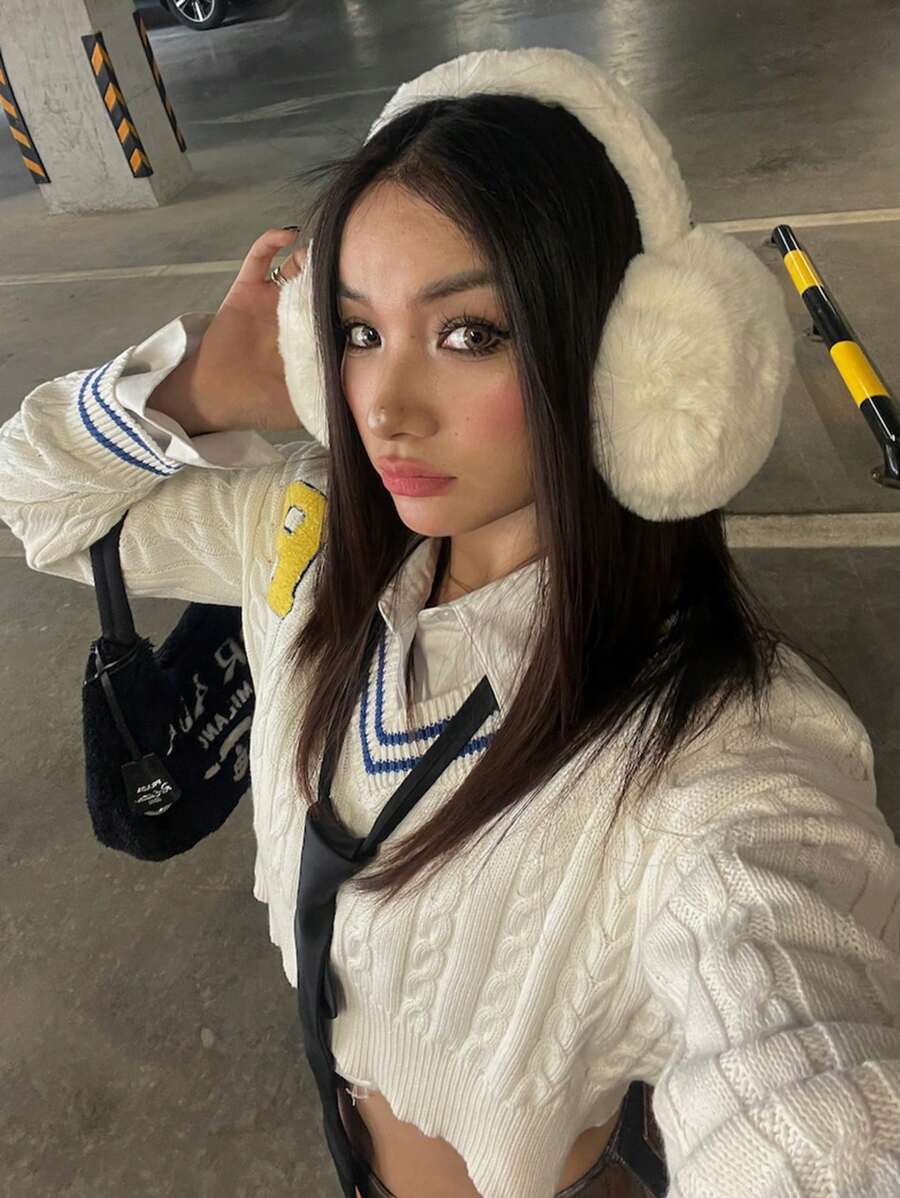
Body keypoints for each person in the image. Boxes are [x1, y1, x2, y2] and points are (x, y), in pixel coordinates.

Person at [3, 44, 900, 1198]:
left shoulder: (723, 747)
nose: (384, 407)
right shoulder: (304, 538)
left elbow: (808, 1080)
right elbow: (36, 502)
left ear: (629, 359)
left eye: (469, 332)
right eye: (357, 332)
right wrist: (193, 390)